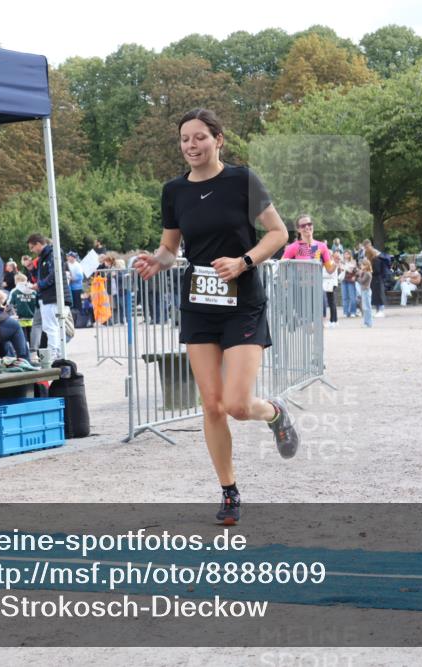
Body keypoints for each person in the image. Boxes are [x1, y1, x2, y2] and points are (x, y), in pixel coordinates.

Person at [132, 108, 299, 526]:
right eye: (185, 139)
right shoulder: (174, 191)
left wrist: (245, 261)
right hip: (199, 303)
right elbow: (171, 247)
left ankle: (274, 413)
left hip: (242, 301)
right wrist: (158, 261)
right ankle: (229, 491)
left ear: (218, 139)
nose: (192, 145)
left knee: (237, 405)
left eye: (200, 137)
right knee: (211, 405)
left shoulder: (243, 180)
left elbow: (279, 234)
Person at [27, 233, 68, 360]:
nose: (32, 251)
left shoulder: (51, 254)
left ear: (38, 244)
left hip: (52, 296)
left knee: (51, 326)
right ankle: (57, 352)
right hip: (48, 295)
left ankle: (54, 353)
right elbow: (44, 275)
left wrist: (39, 285)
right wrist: (31, 269)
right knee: (50, 326)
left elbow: (53, 275)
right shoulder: (44, 257)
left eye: (32, 247)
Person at [9, 273, 38, 348]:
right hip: (33, 319)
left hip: (20, 319)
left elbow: (9, 304)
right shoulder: (33, 291)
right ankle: (33, 353)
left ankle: (25, 352)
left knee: (23, 339)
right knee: (32, 338)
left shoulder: (15, 291)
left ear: (17, 281)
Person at [322, 256, 340, 326]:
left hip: (331, 284)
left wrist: (322, 274)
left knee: (332, 303)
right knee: (331, 302)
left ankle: (333, 320)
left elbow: (329, 274)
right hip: (328, 284)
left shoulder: (331, 263)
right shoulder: (327, 263)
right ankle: (334, 320)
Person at [339, 250, 359, 318]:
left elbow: (357, 272)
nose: (346, 256)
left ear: (350, 255)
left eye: (347, 254)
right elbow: (340, 271)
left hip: (351, 281)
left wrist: (354, 277)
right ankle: (346, 312)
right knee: (345, 297)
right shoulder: (342, 262)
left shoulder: (353, 262)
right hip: (344, 280)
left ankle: (353, 311)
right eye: (345, 254)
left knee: (352, 297)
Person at [357, 259, 374, 327]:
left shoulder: (367, 273)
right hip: (364, 291)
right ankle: (366, 323)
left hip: (366, 291)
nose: (361, 266)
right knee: (365, 307)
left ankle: (368, 323)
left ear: (366, 265)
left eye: (362, 265)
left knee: (367, 308)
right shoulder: (365, 273)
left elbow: (361, 281)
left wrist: (359, 276)